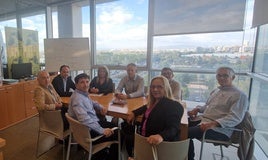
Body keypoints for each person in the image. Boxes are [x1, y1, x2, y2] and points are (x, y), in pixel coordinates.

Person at [187, 66, 248, 160]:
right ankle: (184, 154)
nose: (221, 78)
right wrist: (198, 109)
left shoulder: (239, 95)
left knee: (182, 133)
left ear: (233, 77)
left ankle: (188, 158)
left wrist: (213, 123)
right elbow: (207, 106)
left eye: (225, 76)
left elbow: (235, 118)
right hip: (204, 120)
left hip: (220, 129)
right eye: (219, 75)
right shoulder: (217, 90)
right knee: (178, 125)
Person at [124, 75, 184, 158]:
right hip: (146, 139)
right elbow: (145, 107)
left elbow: (174, 128)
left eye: (159, 87)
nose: (155, 89)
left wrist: (161, 136)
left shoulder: (174, 105)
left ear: (166, 88)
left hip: (158, 144)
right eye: (153, 87)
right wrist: (134, 113)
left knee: (127, 138)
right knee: (127, 138)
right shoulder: (154, 102)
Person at [68, 73, 118, 159]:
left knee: (113, 126)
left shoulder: (81, 94)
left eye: (87, 82)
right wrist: (102, 130)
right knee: (119, 132)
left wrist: (100, 107)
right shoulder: (77, 99)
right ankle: (111, 157)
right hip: (89, 133)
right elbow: (84, 119)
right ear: (76, 85)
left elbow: (92, 102)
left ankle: (102, 153)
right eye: (82, 82)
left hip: (88, 127)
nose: (86, 84)